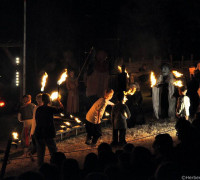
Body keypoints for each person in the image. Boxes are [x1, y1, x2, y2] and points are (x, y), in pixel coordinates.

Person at [34, 93, 64, 166]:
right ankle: (55, 164)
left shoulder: (38, 109)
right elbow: (61, 109)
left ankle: (40, 166)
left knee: (40, 151)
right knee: (53, 150)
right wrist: (59, 101)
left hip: (39, 132)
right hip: (48, 132)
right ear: (48, 100)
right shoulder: (50, 109)